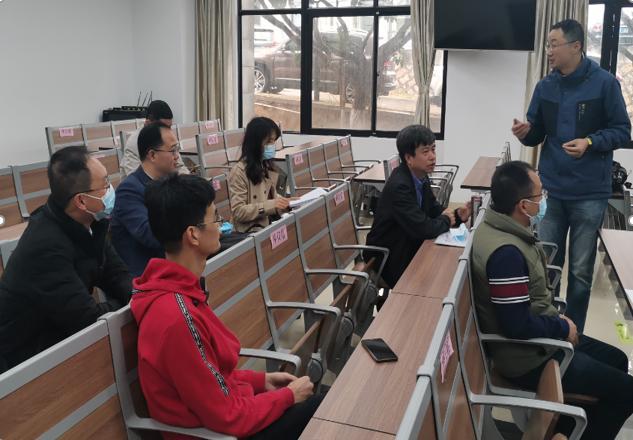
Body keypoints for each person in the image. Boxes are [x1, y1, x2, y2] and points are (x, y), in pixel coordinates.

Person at [132, 173, 322, 439]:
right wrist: (287, 397)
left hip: (221, 421)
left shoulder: (182, 292)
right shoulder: (176, 318)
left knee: (319, 402)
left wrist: (260, 381)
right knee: (321, 408)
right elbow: (227, 416)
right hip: (213, 435)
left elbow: (212, 379)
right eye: (215, 218)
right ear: (193, 235)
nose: (221, 225)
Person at [471, 161, 633, 440]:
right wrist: (561, 327)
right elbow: (516, 325)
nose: (544, 200)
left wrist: (558, 321)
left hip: (538, 339)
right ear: (523, 206)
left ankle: (565, 431)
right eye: (540, 195)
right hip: (527, 357)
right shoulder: (506, 254)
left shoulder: (503, 228)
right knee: (627, 392)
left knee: (618, 359)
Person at [511, 19, 631, 332]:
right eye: (548, 45)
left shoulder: (604, 84)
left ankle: (573, 333)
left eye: (554, 44)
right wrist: (525, 133)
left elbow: (622, 131)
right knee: (546, 265)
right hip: (551, 189)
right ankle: (548, 327)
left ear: (576, 46)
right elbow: (537, 132)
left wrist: (590, 142)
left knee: (580, 271)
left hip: (589, 194)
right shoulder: (546, 86)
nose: (549, 51)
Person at [0, 146, 131, 373]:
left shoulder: (92, 222)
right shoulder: (45, 247)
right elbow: (87, 318)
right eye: (105, 184)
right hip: (25, 359)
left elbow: (117, 274)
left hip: (61, 337)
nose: (111, 189)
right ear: (81, 201)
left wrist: (136, 294)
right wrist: (133, 303)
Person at [364, 124, 471, 289]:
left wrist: (457, 216)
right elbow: (423, 228)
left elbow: (432, 208)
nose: (432, 157)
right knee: (441, 279)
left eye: (433, 150)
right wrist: (446, 220)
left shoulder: (420, 176)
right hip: (389, 258)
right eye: (425, 152)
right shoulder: (400, 186)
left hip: (408, 244)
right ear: (409, 158)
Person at [110, 122, 179, 277]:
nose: (177, 156)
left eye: (177, 149)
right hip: (145, 276)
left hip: (169, 266)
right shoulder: (129, 190)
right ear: (152, 155)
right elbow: (150, 235)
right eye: (172, 150)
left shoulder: (170, 181)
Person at [228, 117, 291, 233]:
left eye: (273, 141)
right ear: (256, 143)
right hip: (249, 232)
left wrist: (287, 203)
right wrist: (271, 205)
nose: (272, 146)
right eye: (269, 142)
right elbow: (238, 212)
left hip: (267, 226)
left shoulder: (266, 166)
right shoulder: (239, 171)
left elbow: (271, 197)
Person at [120, 100, 189, 176]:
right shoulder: (133, 145)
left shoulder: (168, 140)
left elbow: (180, 167)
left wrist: (188, 181)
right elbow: (137, 179)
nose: (168, 131)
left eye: (169, 127)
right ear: (148, 123)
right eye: (163, 127)